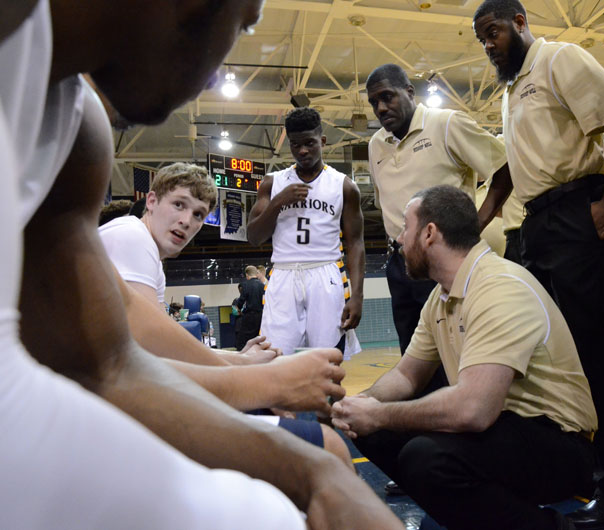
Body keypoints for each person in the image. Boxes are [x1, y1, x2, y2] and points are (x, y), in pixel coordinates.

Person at [1, 1, 402, 528]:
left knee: (318, 460)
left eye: (199, 212)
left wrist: (314, 472)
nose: (215, 72)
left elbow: (104, 363)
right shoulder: (131, 223)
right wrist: (262, 383)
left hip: (322, 273)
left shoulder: (76, 128)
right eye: (246, 23)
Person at [472, 0, 604, 525]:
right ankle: (582, 472)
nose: (488, 43)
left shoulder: (559, 59)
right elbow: (508, 173)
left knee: (595, 353)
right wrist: (473, 223)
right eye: (481, 37)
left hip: (579, 210)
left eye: (494, 31)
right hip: (538, 225)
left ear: (521, 23)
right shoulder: (511, 92)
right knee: (555, 356)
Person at [331, 185, 597, 530]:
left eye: (405, 228)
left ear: (429, 234)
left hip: (558, 441)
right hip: (505, 429)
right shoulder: (441, 296)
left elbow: (474, 410)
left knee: (426, 460)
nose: (398, 239)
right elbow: (407, 376)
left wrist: (380, 414)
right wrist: (357, 407)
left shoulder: (498, 286)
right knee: (370, 431)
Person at [97, 161, 353, 465]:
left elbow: (160, 350)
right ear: (151, 201)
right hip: (104, 407)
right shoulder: (132, 235)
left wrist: (237, 360)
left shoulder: (149, 257)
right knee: (328, 448)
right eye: (178, 205)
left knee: (306, 438)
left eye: (197, 215)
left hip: (115, 397)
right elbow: (149, 338)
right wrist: (256, 374)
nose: (185, 221)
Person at [365, 64, 510, 357]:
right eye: (373, 103)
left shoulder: (446, 123)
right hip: (400, 263)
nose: (380, 108)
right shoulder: (375, 145)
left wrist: (475, 226)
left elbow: (504, 166)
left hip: (445, 258)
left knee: (454, 352)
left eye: (387, 97)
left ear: (408, 92)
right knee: (412, 353)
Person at [248, 107, 364, 359]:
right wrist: (279, 202)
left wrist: (357, 296)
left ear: (322, 141)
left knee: (327, 359)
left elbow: (355, 243)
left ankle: (327, 401)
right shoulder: (272, 182)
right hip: (283, 274)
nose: (302, 151)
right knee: (274, 357)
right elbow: (254, 237)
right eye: (295, 144)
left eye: (310, 143)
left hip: (326, 274)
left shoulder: (343, 185)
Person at [234, 265, 265, 350]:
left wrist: (238, 308)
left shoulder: (246, 285)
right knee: (257, 337)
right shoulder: (262, 285)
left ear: (247, 275)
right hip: (260, 316)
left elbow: (241, 300)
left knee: (242, 339)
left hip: (249, 316)